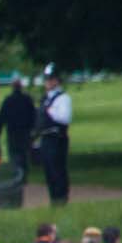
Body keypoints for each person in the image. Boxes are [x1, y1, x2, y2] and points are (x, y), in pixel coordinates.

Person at [36, 73, 72, 205]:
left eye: (51, 80)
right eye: (46, 80)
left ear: (57, 81)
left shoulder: (63, 98)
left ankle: (61, 197)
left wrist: (50, 110)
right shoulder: (45, 98)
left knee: (58, 168)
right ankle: (54, 198)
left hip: (57, 138)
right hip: (45, 137)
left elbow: (64, 118)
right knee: (48, 169)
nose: (48, 83)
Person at [0, 80, 37, 181]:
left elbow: (2, 117)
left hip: (12, 132)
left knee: (14, 154)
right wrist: (34, 129)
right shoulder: (27, 99)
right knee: (24, 153)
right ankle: (24, 175)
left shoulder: (8, 100)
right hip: (26, 132)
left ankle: (17, 174)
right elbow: (34, 115)